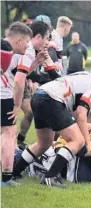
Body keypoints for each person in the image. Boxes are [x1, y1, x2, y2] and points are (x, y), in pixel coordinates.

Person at [13, 57, 91, 187]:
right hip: (51, 99)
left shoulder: (83, 75)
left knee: (44, 143)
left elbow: (73, 111)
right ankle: (50, 177)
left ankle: (14, 172)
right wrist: (88, 143)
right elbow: (81, 113)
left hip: (39, 95)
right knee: (78, 141)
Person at [1, 22, 33, 187]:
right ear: (19, 40)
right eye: (27, 41)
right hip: (4, 98)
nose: (28, 45)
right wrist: (17, 105)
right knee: (9, 134)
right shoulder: (21, 56)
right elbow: (20, 80)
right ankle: (6, 179)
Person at [16, 20, 53, 149]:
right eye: (47, 38)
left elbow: (24, 73)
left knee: (30, 113)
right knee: (7, 125)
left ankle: (19, 141)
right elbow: (19, 76)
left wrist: (37, 62)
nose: (48, 42)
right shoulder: (28, 49)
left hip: (19, 84)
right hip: (11, 86)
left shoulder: (33, 50)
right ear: (38, 37)